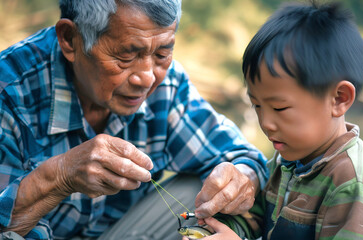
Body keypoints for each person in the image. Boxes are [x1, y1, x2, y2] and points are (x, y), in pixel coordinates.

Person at [0, 0, 268, 239]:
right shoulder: (9, 93)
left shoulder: (167, 83)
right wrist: (59, 176)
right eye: (126, 56)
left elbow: (243, 157)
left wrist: (240, 178)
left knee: (208, 187)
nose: (148, 78)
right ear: (71, 39)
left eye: (162, 54)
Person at [188, 1, 363, 239]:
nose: (266, 123)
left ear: (339, 99)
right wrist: (215, 229)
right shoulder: (286, 161)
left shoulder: (354, 183)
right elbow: (254, 219)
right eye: (257, 106)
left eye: (280, 107)